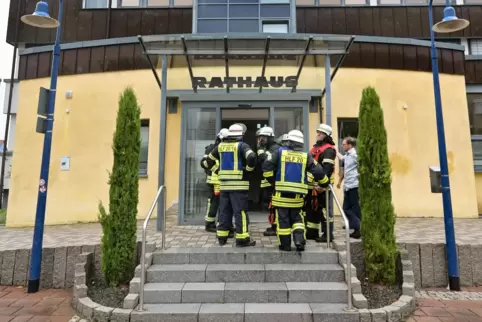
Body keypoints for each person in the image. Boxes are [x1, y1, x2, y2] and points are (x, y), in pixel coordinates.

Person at [262, 130, 330, 251]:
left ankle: (285, 245)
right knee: (297, 219)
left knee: (283, 221)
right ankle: (299, 241)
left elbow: (266, 167)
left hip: (281, 196)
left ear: (288, 141)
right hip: (297, 197)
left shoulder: (279, 153)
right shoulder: (305, 156)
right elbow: (318, 171)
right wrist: (325, 183)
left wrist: (273, 182)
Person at [204, 123, 257, 247]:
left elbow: (208, 162)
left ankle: (222, 238)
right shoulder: (242, 145)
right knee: (240, 212)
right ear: (241, 135)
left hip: (224, 186)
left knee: (224, 211)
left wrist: (218, 171)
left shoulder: (220, 146)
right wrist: (248, 171)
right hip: (239, 186)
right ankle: (242, 239)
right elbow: (252, 157)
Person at [305, 123, 337, 243]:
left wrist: (323, 185)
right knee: (312, 209)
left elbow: (327, 169)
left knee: (325, 211)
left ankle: (328, 234)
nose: (318, 134)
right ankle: (312, 232)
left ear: (326, 135)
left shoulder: (329, 150)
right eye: (318, 131)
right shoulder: (315, 148)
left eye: (321, 132)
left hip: (323, 187)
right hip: (312, 186)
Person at [200, 128, 229, 233]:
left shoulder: (225, 148)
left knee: (221, 203)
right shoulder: (212, 148)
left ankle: (219, 224)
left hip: (222, 181)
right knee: (214, 203)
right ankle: (210, 224)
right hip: (215, 182)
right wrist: (216, 171)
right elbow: (204, 163)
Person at [255, 126, 281, 237]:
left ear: (269, 137)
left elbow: (264, 159)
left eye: (262, 138)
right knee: (271, 205)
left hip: (274, 183)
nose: (260, 140)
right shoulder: (270, 147)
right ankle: (274, 225)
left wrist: (260, 148)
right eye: (259, 138)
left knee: (275, 205)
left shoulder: (275, 148)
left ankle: (276, 227)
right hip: (270, 183)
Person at [337, 137, 361, 239]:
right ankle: (353, 224)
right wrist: (335, 151)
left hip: (354, 186)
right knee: (345, 209)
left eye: (344, 144)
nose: (343, 146)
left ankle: (357, 228)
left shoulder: (355, 156)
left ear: (350, 145)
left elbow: (362, 166)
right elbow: (342, 159)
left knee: (355, 209)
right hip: (348, 186)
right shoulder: (347, 156)